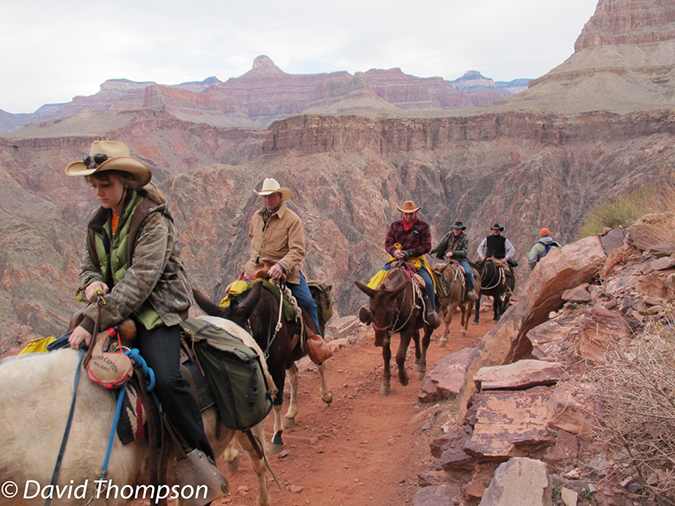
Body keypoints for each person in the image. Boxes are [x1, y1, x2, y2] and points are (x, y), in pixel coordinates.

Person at [65, 141, 219, 477]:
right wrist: (92, 284)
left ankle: (201, 463)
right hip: (115, 306)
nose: (98, 193)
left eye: (106, 185)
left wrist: (93, 320)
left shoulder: (153, 219)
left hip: (157, 308)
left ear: (126, 182)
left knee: (166, 379)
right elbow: (87, 267)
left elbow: (140, 281)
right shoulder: (99, 222)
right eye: (95, 185)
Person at [245, 177, 324, 337]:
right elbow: (253, 240)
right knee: (234, 301)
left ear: (280, 196)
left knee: (307, 302)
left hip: (285, 274)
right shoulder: (256, 217)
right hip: (256, 272)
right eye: (265, 196)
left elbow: (297, 250)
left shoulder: (292, 220)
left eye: (272, 196)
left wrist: (280, 265)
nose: (267, 200)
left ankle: (317, 341)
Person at [359, 200, 440, 328]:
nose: (408, 216)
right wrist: (395, 252)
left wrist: (410, 252)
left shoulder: (423, 226)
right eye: (406, 214)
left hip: (416, 260)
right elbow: (388, 244)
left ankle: (431, 312)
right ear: (402, 213)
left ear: (415, 213)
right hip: (396, 260)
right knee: (377, 279)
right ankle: (370, 308)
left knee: (428, 283)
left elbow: (427, 246)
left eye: (411, 213)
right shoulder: (394, 226)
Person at [431, 221, 478, 301]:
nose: (456, 230)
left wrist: (453, 253)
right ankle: (436, 291)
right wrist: (431, 251)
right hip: (447, 260)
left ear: (461, 229)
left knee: (468, 272)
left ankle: (471, 290)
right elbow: (440, 245)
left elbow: (464, 252)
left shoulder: (465, 238)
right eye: (455, 229)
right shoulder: (449, 235)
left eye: (458, 229)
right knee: (436, 271)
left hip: (460, 260)